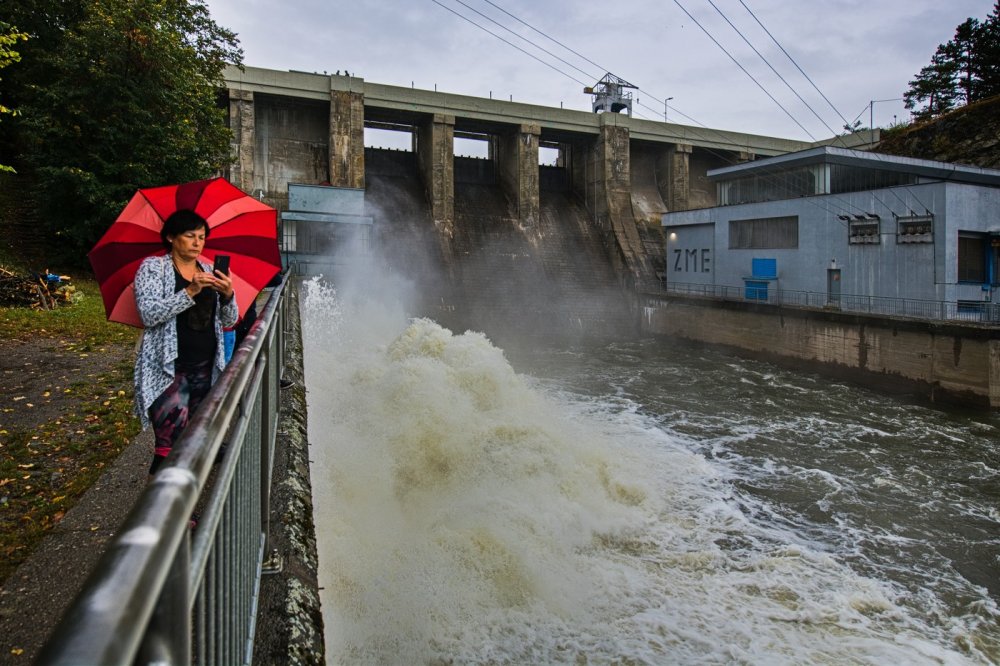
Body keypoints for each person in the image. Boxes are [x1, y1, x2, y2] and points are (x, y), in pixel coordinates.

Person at [133, 209, 238, 475]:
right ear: (171, 237)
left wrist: (227, 295)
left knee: (193, 437)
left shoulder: (207, 269)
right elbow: (149, 313)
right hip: (168, 369)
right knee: (170, 442)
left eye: (202, 237)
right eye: (190, 236)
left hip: (204, 368)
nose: (197, 243)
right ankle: (162, 511)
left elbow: (228, 319)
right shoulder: (153, 268)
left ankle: (183, 497)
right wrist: (190, 290)